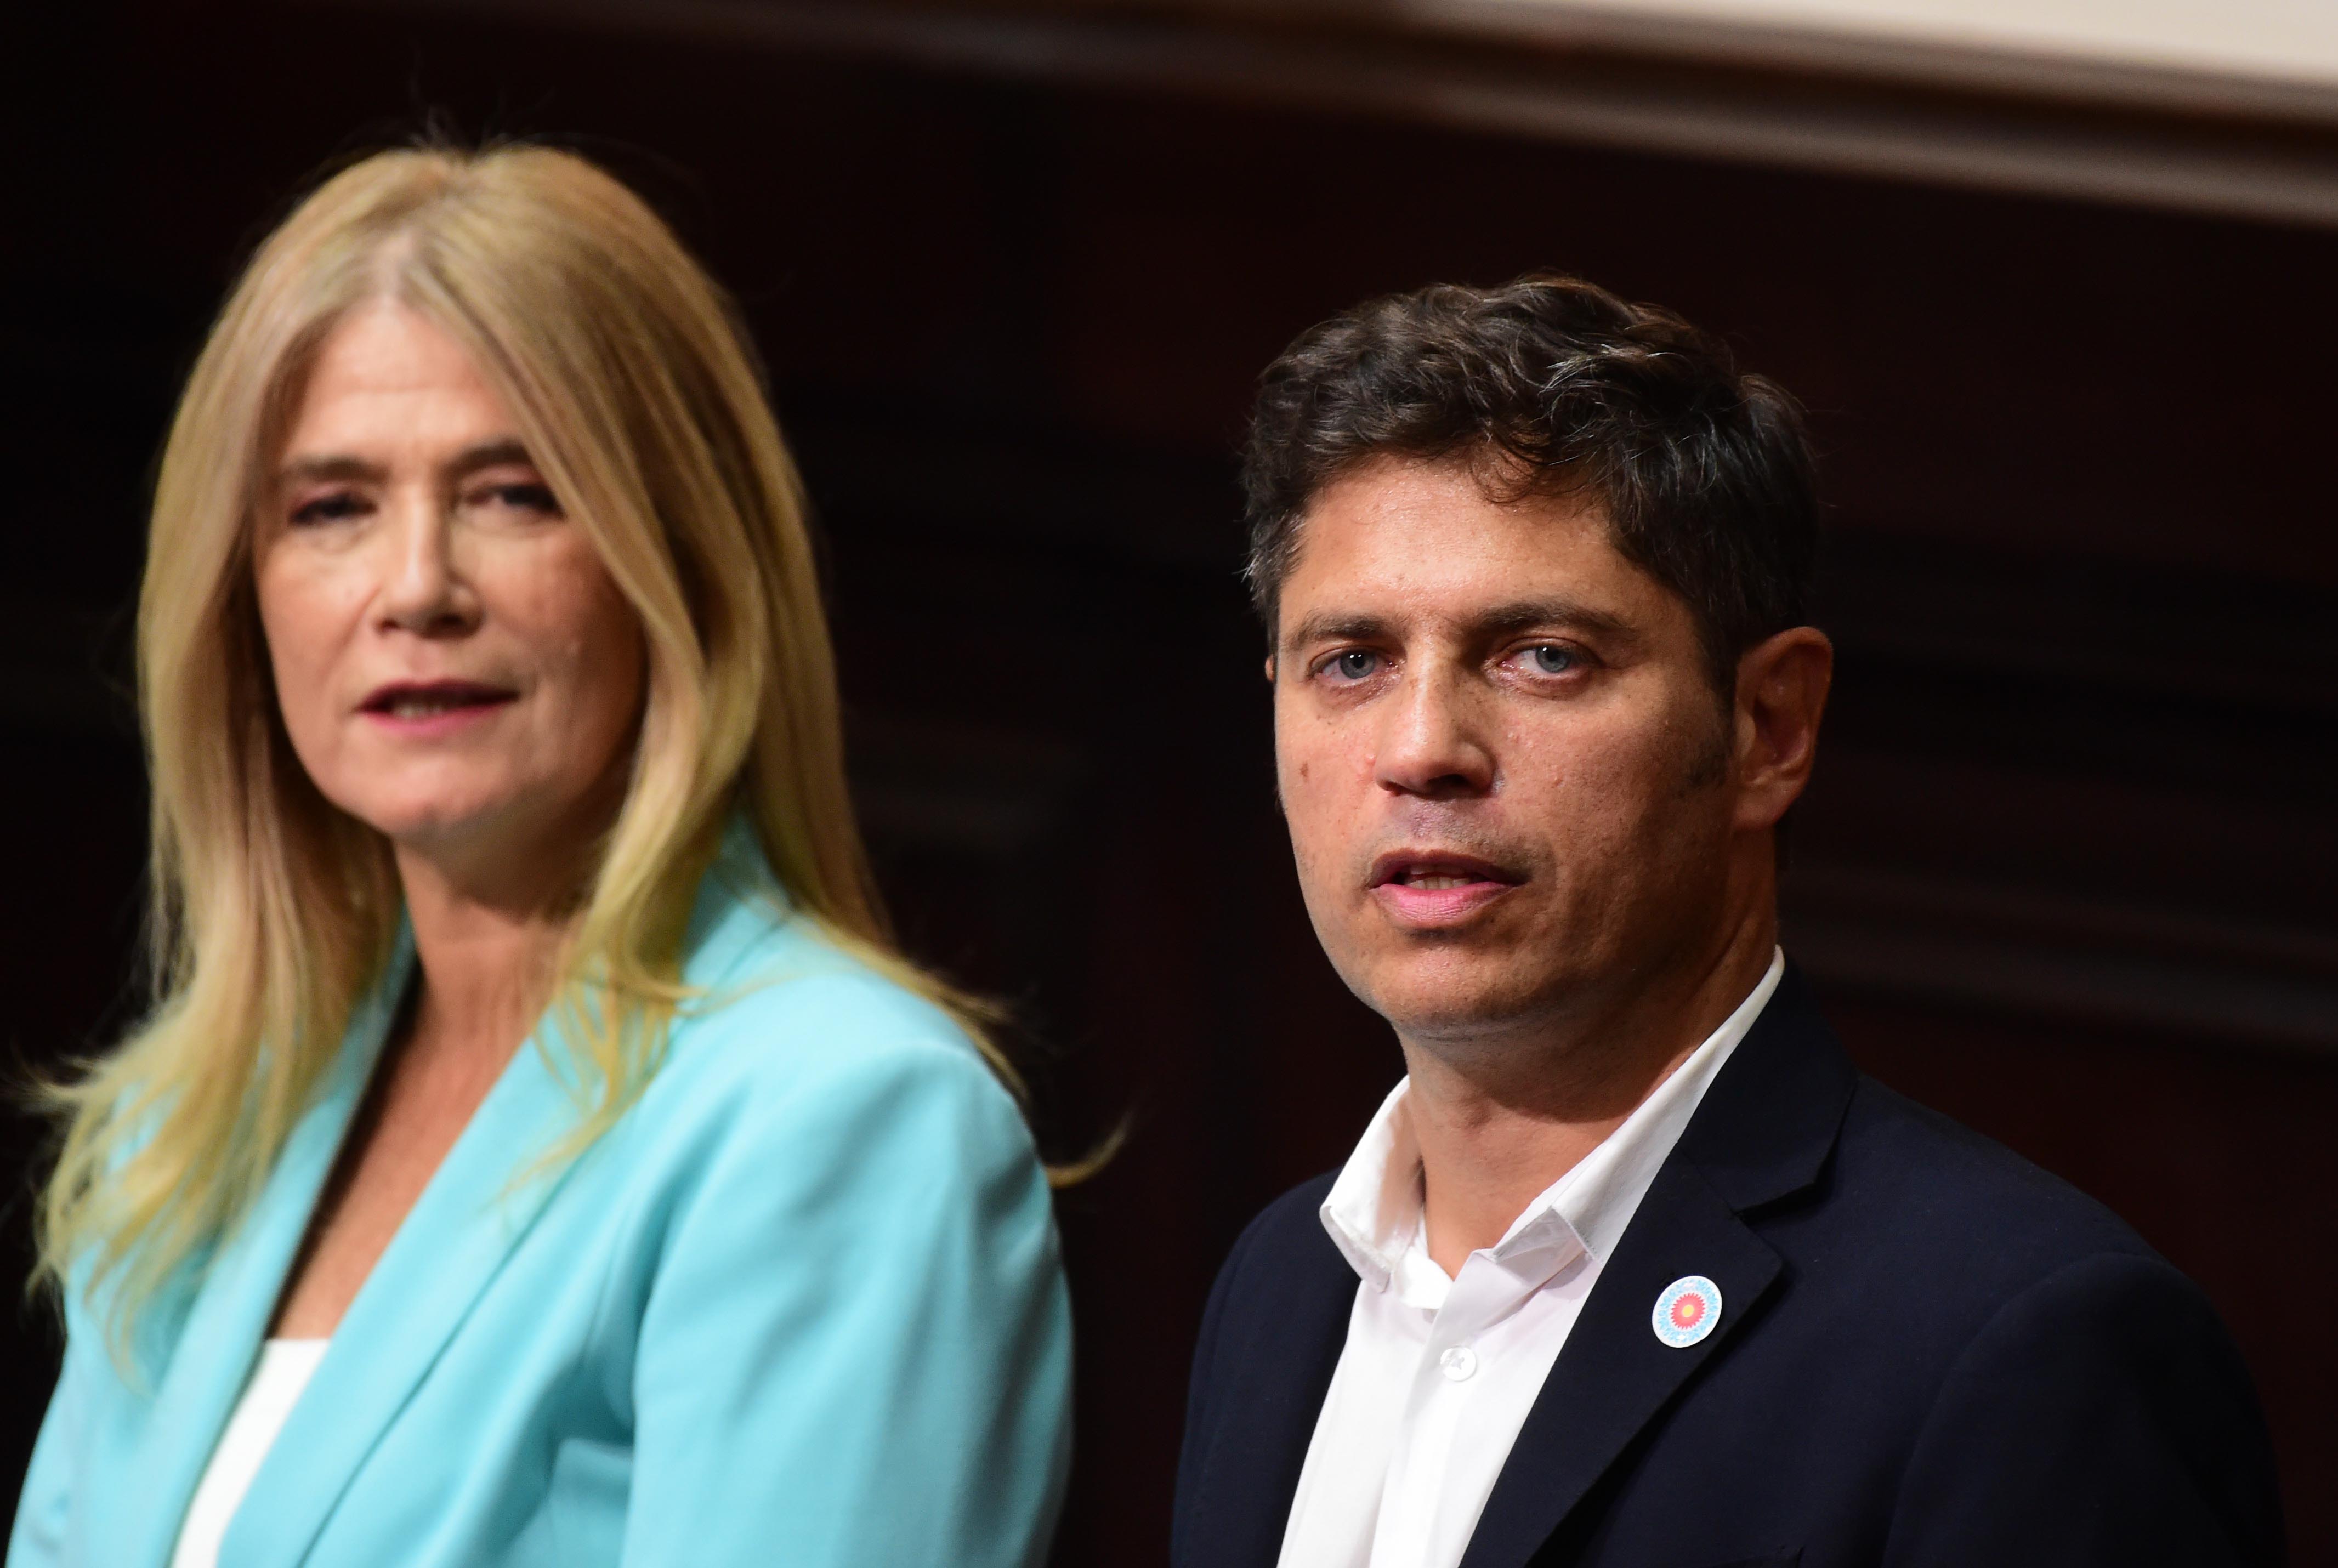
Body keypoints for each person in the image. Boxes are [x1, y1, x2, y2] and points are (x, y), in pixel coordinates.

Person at [11, 144, 1069, 1568]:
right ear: (240, 594)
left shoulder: (843, 1119)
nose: (416, 588)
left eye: (512, 491)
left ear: (678, 555)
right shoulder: (183, 1132)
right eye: (332, 507)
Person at [1173, 275, 2282, 1568]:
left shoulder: (2014, 1346)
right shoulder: (1281, 1286)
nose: (1421, 749)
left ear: (1768, 726)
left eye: (1542, 654)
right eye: (1351, 661)